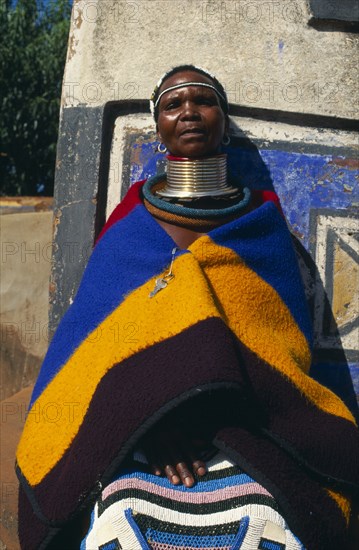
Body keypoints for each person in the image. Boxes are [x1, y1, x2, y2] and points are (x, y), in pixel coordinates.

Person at [16, 65, 359, 550]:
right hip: (141, 437)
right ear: (157, 125)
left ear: (223, 118)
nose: (189, 112)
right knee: (119, 513)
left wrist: (218, 424)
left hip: (252, 428)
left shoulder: (261, 226)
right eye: (174, 104)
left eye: (204, 101)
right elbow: (90, 355)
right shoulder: (128, 229)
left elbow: (280, 352)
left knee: (271, 515)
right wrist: (151, 426)